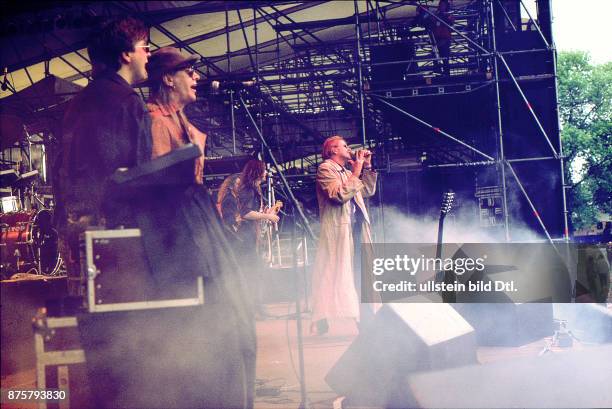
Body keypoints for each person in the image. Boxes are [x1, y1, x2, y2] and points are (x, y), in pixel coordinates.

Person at [56, 21, 255, 408]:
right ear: (126, 53)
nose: (147, 54)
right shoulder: (126, 101)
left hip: (92, 231)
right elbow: (128, 173)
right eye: (143, 46)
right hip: (131, 232)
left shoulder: (83, 100)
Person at [144, 46, 257, 407]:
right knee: (222, 320)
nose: (196, 78)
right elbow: (160, 187)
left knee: (238, 320)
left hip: (198, 221)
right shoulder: (156, 122)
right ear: (167, 78)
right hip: (183, 230)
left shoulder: (177, 119)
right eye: (188, 71)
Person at [310, 136, 378, 335]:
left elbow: (367, 190)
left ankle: (364, 319)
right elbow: (338, 195)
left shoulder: (347, 172)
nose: (349, 149)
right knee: (334, 274)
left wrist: (366, 167)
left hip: (355, 228)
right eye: (345, 146)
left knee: (358, 274)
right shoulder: (325, 169)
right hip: (339, 228)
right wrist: (356, 170)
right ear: (332, 150)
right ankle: (322, 315)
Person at [217, 159, 280, 318]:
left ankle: (252, 308)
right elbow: (245, 213)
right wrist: (268, 216)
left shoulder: (249, 187)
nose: (267, 173)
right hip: (242, 238)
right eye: (265, 170)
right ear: (258, 171)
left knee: (252, 271)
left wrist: (268, 212)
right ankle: (253, 308)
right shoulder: (248, 189)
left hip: (243, 237)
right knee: (253, 271)